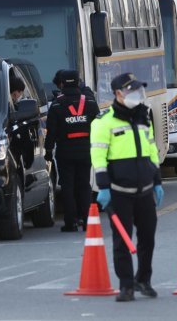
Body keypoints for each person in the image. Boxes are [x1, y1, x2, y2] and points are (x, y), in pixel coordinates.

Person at [90, 73, 164, 302]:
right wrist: (102, 188)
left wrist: (158, 181)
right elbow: (98, 156)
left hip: (145, 189)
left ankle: (144, 279)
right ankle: (126, 285)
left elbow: (151, 150)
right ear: (118, 94)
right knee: (122, 240)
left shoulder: (143, 117)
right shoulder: (104, 121)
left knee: (147, 238)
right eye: (131, 91)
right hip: (119, 191)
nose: (137, 95)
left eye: (138, 90)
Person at [45, 70, 100, 232]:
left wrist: (48, 151)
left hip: (65, 152)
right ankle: (87, 220)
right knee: (84, 185)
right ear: (78, 82)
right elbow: (98, 126)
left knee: (67, 186)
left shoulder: (56, 105)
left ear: (62, 84)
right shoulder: (89, 102)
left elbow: (51, 132)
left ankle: (71, 222)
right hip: (85, 151)